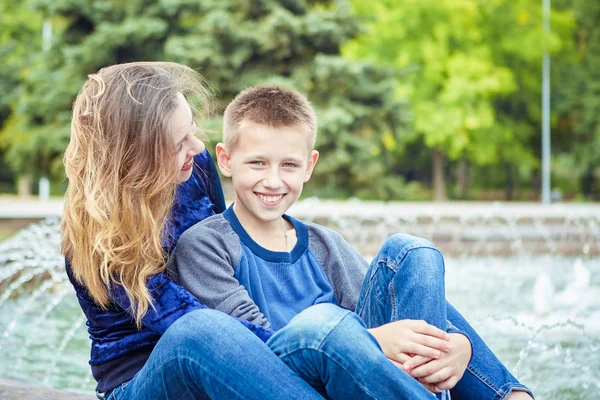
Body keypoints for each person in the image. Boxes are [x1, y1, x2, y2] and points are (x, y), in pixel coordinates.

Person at [168, 85, 535, 400]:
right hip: (283, 376)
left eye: (289, 166)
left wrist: (458, 346)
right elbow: (249, 344)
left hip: (368, 381)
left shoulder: (324, 245)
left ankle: (507, 395)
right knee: (324, 322)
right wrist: (372, 340)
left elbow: (388, 314)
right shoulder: (205, 244)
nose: (273, 181)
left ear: (309, 166)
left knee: (412, 251)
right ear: (226, 160)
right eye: (258, 163)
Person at [61, 62, 331, 400]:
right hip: (144, 380)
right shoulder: (100, 233)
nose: (197, 146)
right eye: (178, 143)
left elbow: (227, 244)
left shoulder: (196, 166)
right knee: (200, 331)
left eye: (192, 128)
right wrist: (314, 350)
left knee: (404, 252)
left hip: (232, 351)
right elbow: (190, 322)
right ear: (138, 157)